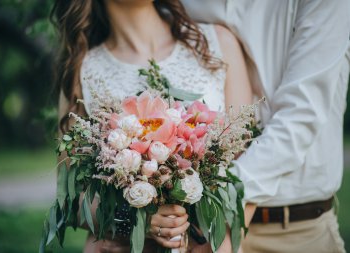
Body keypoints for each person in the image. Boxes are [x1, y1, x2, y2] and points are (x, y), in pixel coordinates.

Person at [52, 0, 254, 252]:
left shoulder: (217, 43)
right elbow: (70, 198)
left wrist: (224, 233)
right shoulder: (83, 69)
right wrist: (137, 222)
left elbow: (248, 164)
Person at [181, 0, 350, 252]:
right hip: (198, 229)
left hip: (295, 230)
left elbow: (301, 116)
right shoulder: (183, 4)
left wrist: (220, 201)